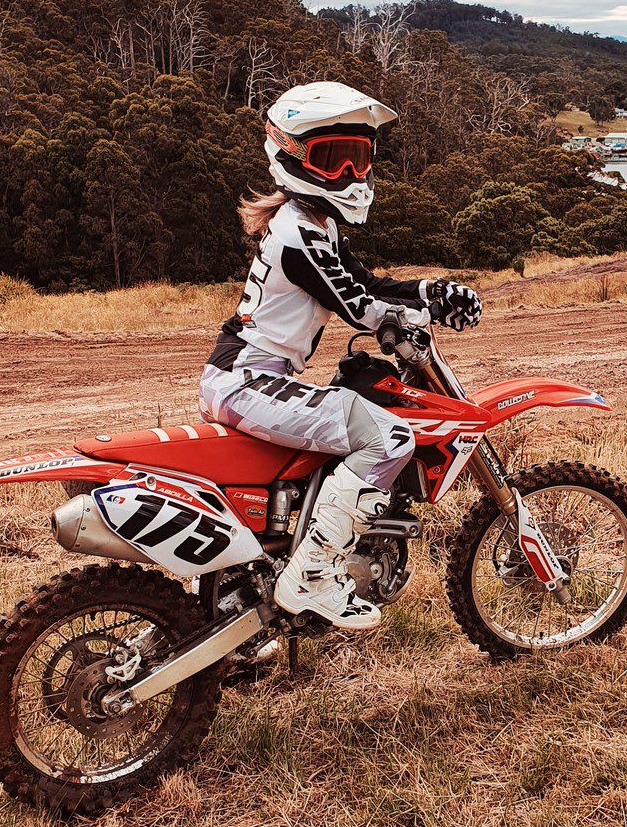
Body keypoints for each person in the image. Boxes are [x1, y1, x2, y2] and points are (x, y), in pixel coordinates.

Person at [199, 81, 482, 630]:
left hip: (250, 378)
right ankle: (309, 577)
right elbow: (361, 306)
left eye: (360, 158)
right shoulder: (298, 235)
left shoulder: (314, 224)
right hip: (247, 382)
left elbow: (366, 283)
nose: (352, 175)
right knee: (389, 437)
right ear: (291, 155)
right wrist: (422, 312)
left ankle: (275, 580)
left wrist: (432, 291)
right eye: (334, 160)